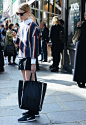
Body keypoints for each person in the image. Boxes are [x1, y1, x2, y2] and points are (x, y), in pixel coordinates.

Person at [13, 3, 39, 122]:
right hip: (22, 56)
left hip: (29, 57)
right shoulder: (21, 25)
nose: (19, 16)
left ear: (28, 12)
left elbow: (34, 45)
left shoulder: (33, 25)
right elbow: (18, 42)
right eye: (18, 13)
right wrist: (15, 38)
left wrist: (33, 62)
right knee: (27, 83)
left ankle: (31, 113)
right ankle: (33, 110)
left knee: (29, 84)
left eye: (21, 13)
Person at [73, 12, 86, 88]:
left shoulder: (83, 24)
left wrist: (78, 27)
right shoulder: (83, 24)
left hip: (81, 45)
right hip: (82, 45)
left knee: (80, 63)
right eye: (84, 15)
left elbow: (81, 34)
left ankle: (81, 80)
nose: (85, 16)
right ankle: (82, 80)